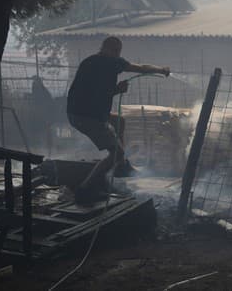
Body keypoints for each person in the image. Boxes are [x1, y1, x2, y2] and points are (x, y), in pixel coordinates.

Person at [66, 36, 169, 204]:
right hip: (87, 116)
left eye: (118, 52)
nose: (116, 55)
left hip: (80, 111)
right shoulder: (108, 63)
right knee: (115, 153)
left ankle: (121, 166)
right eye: (115, 51)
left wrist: (160, 70)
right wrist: (117, 90)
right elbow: (96, 96)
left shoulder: (91, 61)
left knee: (120, 121)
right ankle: (84, 189)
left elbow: (141, 68)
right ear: (108, 49)